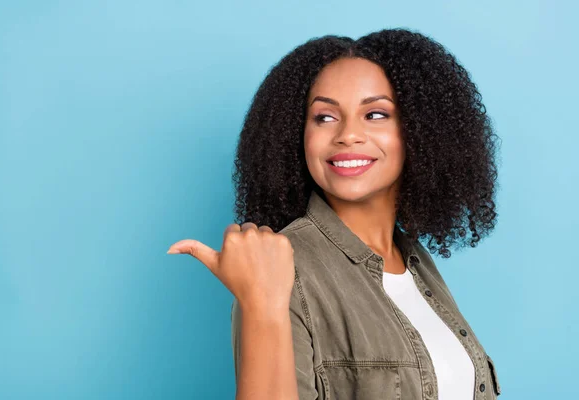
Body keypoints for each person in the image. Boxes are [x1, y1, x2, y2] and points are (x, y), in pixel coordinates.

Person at [168, 28, 502, 400]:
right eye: (325, 117)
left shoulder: (415, 262)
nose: (347, 135)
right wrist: (261, 304)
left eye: (375, 114)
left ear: (419, 133)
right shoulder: (279, 269)